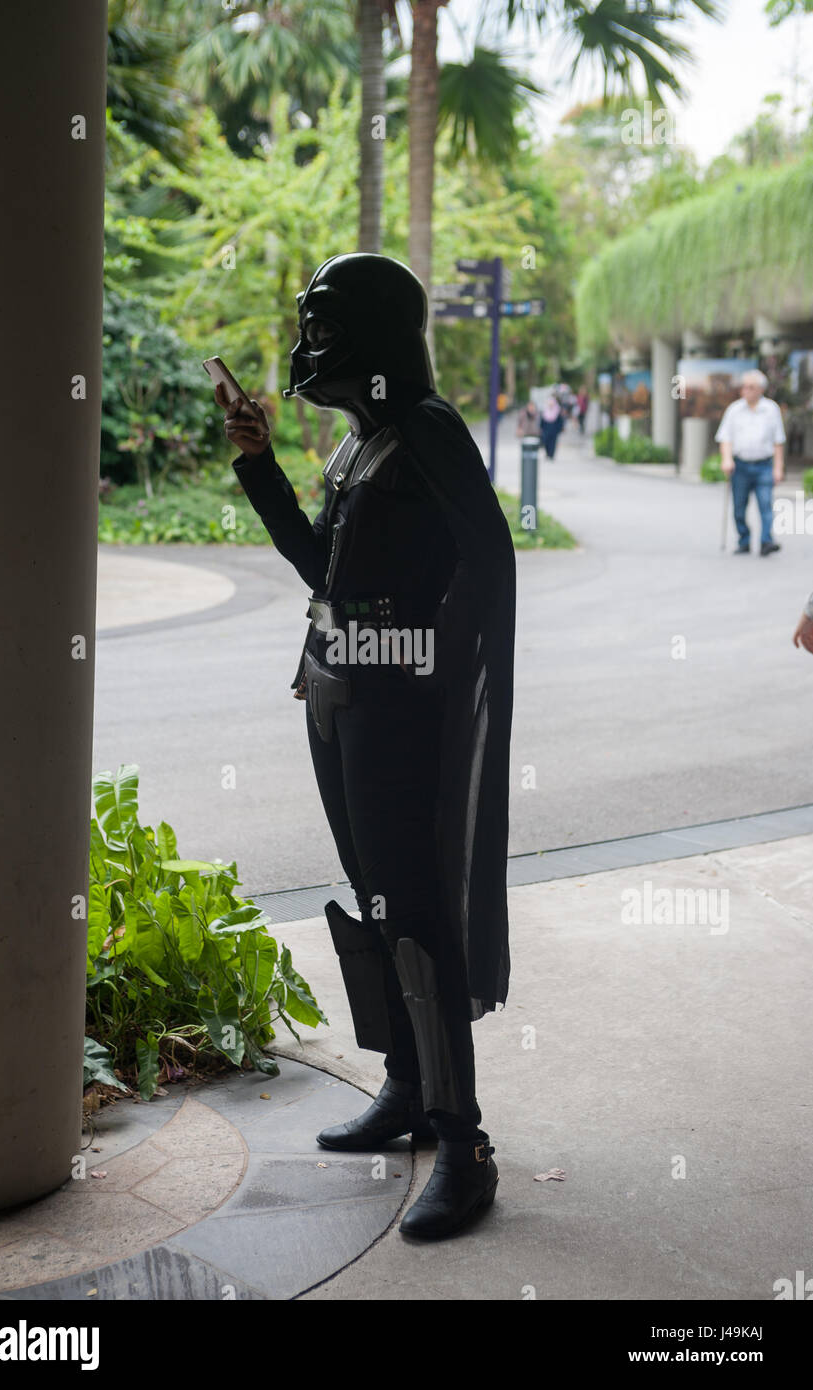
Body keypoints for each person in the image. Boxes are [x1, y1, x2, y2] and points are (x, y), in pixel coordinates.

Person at [216, 253, 516, 1241]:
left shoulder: (424, 434)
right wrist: (257, 461)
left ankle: (460, 1142)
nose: (311, 344)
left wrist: (427, 674)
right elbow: (321, 569)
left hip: (398, 712)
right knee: (380, 903)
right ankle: (403, 1087)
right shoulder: (363, 446)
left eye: (328, 323)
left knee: (417, 911)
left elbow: (482, 569)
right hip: (337, 698)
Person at [716, 369, 786, 556]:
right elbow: (725, 438)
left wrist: (778, 468)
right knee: (739, 508)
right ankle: (744, 540)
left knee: (765, 505)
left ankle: (766, 541)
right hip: (740, 466)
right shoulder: (734, 410)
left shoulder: (771, 409)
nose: (746, 390)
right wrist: (727, 459)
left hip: (764, 465)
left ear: (761, 389)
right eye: (744, 387)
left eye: (751, 387)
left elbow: (778, 441)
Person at [540, 392, 564, 460]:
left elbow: (560, 420)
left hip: (554, 429)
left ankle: (551, 455)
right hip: (546, 429)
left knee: (553, 443)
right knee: (546, 442)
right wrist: (541, 428)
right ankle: (547, 454)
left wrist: (560, 428)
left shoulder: (557, 410)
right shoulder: (545, 410)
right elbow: (542, 420)